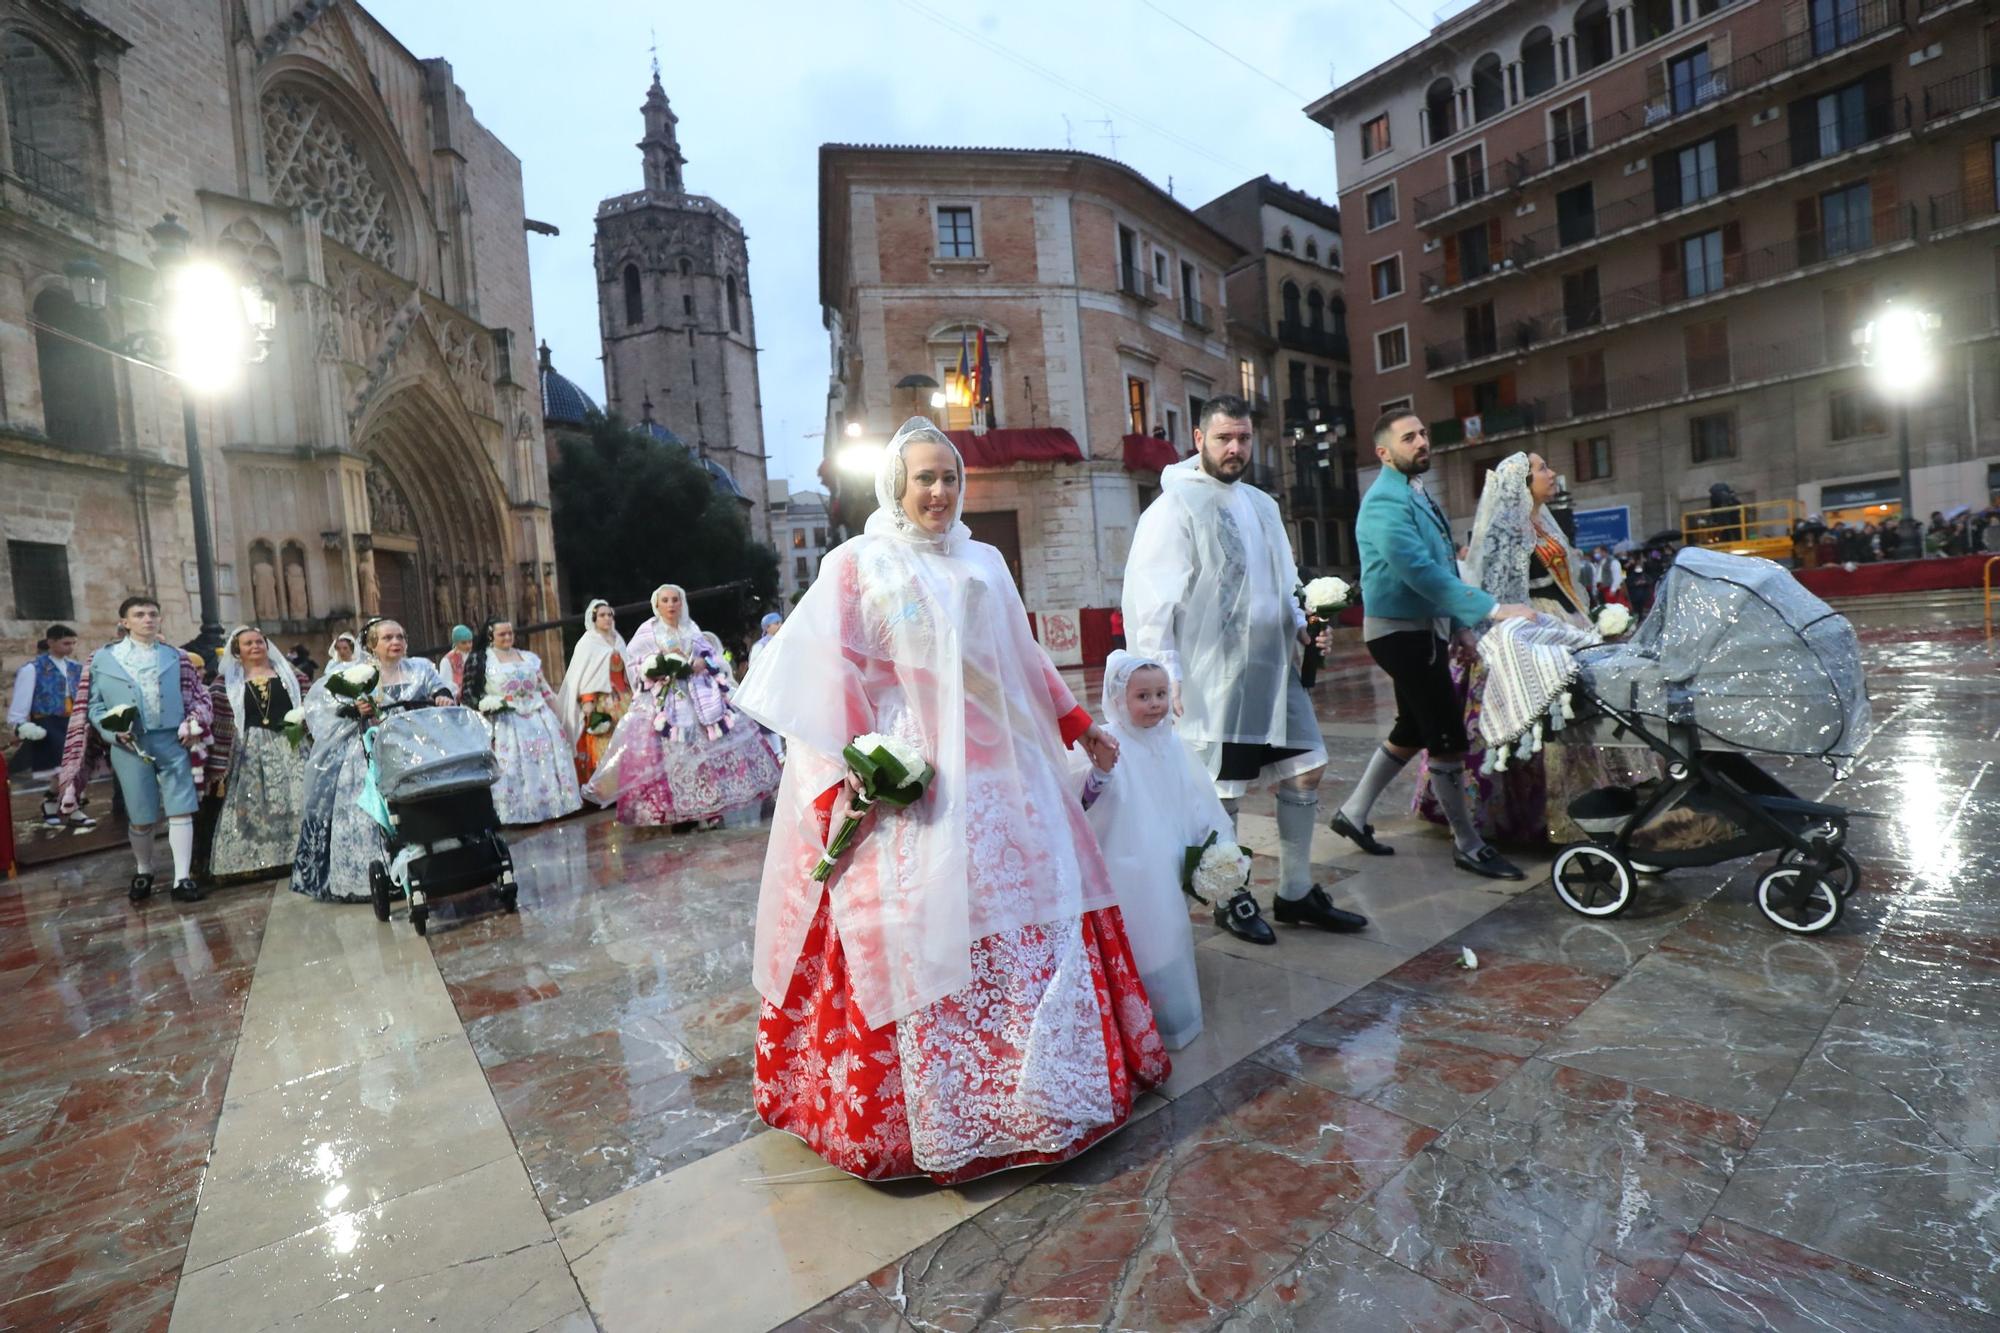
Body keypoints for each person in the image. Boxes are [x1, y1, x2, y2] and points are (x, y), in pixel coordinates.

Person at [732, 417, 1165, 1184]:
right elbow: (827, 679)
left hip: (1003, 768)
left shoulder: (988, 562)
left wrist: (1076, 725)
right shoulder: (856, 564)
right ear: (894, 484)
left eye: (949, 477)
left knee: (1032, 900)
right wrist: (855, 769)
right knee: (913, 917)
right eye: (924, 477)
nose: (938, 490)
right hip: (914, 773)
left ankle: (1039, 1094)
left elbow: (1024, 662)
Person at [1124, 394, 1367, 943]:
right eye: (1223, 438)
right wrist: (1163, 672)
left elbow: (1281, 578)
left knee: (1307, 767)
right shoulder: (1173, 507)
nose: (1235, 449)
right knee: (1222, 792)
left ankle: (1297, 891)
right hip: (1213, 674)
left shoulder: (1261, 504)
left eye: (1243, 439)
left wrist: (1301, 621)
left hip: (1272, 666)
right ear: (1198, 437)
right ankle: (1229, 898)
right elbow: (1152, 598)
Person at [1325, 412, 1534, 880]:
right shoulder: (1383, 502)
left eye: (1422, 433)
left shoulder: (1415, 493)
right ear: (1384, 452)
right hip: (1400, 634)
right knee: (1447, 739)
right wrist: (1490, 609)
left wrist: (1459, 627)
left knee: (1412, 730)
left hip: (1423, 630)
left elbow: (1442, 564)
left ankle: (1352, 814)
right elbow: (1419, 571)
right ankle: (1468, 844)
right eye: (1409, 437)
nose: (1422, 441)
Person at [1416, 452, 1653, 846]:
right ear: (1521, 484)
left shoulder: (1546, 524)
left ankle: (1610, 794)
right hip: (1525, 625)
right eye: (1542, 469)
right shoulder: (1506, 528)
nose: (1552, 472)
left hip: (1560, 619)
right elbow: (1494, 585)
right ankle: (1546, 812)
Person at [1078, 652, 1226, 1050]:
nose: (1156, 703)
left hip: (1167, 851)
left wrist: (1210, 844)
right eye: (1143, 696)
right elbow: (1083, 799)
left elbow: (1196, 795)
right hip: (1127, 857)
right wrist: (1102, 772)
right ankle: (1136, 1017)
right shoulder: (1108, 740)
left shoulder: (1171, 742)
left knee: (1170, 930)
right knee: (1141, 931)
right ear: (1117, 699)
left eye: (1161, 693)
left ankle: (1169, 1013)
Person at [585, 584, 779, 829]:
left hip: (699, 696)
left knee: (706, 754)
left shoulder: (691, 628)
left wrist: (701, 662)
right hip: (666, 701)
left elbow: (712, 656)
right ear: (657, 604)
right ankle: (680, 814)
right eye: (665, 600)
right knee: (674, 756)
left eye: (675, 600)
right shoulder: (649, 630)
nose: (671, 605)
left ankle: (710, 808)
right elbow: (635, 663)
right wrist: (660, 665)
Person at [291, 617, 452, 902]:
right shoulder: (355, 674)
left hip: (416, 746)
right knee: (372, 808)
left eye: (400, 636)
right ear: (371, 644)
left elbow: (439, 687)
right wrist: (355, 707)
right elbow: (323, 704)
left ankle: (436, 860)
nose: (396, 642)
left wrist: (442, 696)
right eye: (388, 638)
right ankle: (381, 872)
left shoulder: (420, 668)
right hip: (371, 747)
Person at [81, 596, 214, 904]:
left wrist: (193, 723)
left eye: (153, 614)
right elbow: (95, 705)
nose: (148, 619)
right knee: (141, 814)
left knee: (181, 807)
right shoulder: (103, 658)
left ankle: (182, 878)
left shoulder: (176, 656)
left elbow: (197, 696)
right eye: (139, 615)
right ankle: (144, 869)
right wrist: (112, 730)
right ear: (125, 622)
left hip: (172, 739)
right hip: (131, 743)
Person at [203, 626, 309, 881]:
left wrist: (303, 720)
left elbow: (309, 699)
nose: (255, 647)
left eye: (259, 642)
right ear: (237, 650)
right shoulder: (227, 681)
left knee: (296, 798)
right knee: (254, 802)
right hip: (250, 747)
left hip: (290, 742)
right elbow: (215, 711)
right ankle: (258, 860)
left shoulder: (290, 674)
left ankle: (301, 853)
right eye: (248, 643)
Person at [460, 616, 581, 825]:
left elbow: (544, 690)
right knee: (515, 766)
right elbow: (470, 694)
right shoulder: (482, 661)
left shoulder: (529, 658)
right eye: (502, 634)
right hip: (508, 722)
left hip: (538, 717)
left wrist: (562, 719)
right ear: (491, 636)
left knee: (545, 762)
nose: (507, 637)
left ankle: (554, 806)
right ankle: (519, 813)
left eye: (510, 633)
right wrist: (488, 704)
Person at [8, 622, 93, 829]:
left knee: (76, 769)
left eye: (73, 643)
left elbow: (84, 697)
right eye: (66, 643)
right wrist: (19, 725)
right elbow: (22, 699)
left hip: (73, 722)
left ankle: (51, 804)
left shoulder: (76, 668)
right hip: (49, 723)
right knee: (64, 770)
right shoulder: (33, 669)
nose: (70, 648)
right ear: (51, 642)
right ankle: (72, 810)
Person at [559, 598, 632, 786]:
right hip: (602, 702)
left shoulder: (618, 639)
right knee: (605, 742)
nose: (607, 618)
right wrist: (587, 699)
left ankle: (629, 781)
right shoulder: (587, 643)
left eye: (609, 614)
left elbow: (628, 670)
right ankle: (607, 785)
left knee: (629, 739)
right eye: (602, 615)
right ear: (594, 618)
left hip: (624, 698)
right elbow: (582, 676)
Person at [440, 625, 475, 699]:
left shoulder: (475, 655)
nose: (468, 645)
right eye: (464, 643)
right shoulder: (447, 660)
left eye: (470, 642)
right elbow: (445, 683)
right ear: (456, 643)